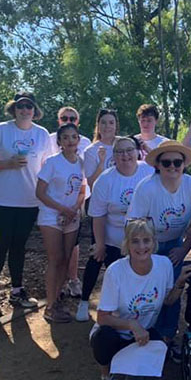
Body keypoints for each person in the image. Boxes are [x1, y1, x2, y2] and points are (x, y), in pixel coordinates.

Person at [89, 218, 191, 380]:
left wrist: (179, 284)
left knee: (162, 343)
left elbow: (167, 301)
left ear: (154, 242)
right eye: (135, 241)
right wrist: (131, 324)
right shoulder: (116, 271)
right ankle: (106, 379)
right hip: (116, 332)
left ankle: (133, 368)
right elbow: (103, 317)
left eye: (146, 240)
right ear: (127, 244)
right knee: (103, 337)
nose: (141, 246)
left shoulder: (163, 265)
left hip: (142, 335)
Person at [127, 141, 191, 359]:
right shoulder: (146, 188)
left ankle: (167, 336)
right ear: (158, 166)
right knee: (149, 288)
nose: (172, 167)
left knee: (175, 286)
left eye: (177, 162)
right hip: (148, 242)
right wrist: (145, 253)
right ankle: (140, 334)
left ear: (184, 164)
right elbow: (134, 224)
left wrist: (184, 249)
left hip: (175, 241)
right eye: (166, 162)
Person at [0, 92, 52, 316]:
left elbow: (47, 167)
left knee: (19, 245)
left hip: (29, 200)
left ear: (35, 110)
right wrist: (8, 164)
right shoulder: (1, 130)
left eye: (29, 106)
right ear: (14, 109)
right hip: (3, 199)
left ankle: (17, 291)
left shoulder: (42, 134)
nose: (25, 110)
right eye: (21, 106)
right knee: (0, 245)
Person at [78, 136, 154, 321]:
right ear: (114, 156)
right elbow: (98, 215)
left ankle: (136, 308)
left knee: (139, 273)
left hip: (143, 237)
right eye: (119, 152)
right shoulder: (105, 180)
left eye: (129, 150)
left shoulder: (149, 171)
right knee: (99, 259)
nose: (125, 155)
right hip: (114, 236)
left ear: (137, 152)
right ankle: (84, 301)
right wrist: (101, 244)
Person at [35, 123, 86, 322]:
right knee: (55, 260)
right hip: (51, 216)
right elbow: (40, 193)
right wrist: (62, 209)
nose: (70, 141)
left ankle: (56, 301)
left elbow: (82, 191)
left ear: (78, 140)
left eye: (74, 137)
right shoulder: (52, 163)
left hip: (71, 217)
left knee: (66, 259)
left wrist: (73, 210)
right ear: (59, 142)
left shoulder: (81, 164)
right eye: (65, 138)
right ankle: (49, 306)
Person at [50, 106, 91, 300]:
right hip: (53, 204)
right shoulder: (50, 140)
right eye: (64, 117)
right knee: (55, 248)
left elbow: (86, 175)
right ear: (58, 120)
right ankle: (58, 286)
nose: (68, 120)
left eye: (73, 118)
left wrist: (75, 206)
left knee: (73, 245)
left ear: (78, 122)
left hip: (77, 201)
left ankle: (73, 279)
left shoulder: (86, 143)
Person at [84, 108, 119, 189]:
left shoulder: (125, 144)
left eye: (111, 123)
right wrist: (101, 163)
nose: (107, 126)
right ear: (98, 125)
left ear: (116, 125)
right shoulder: (90, 151)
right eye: (103, 123)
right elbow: (91, 183)